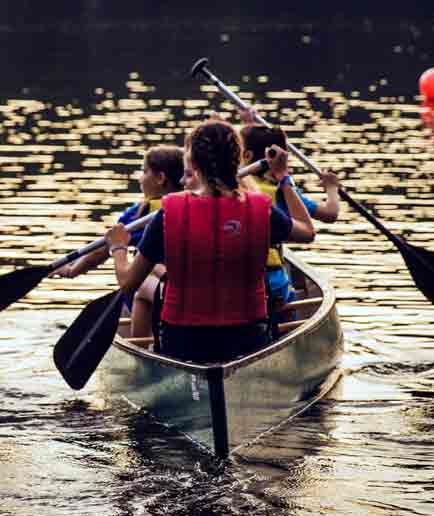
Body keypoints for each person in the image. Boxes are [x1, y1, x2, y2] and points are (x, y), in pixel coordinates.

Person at [104, 119, 315, 363]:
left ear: (192, 163)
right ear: (238, 159)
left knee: (145, 290)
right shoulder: (260, 209)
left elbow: (127, 284)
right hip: (247, 338)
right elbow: (308, 232)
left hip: (183, 342)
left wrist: (119, 247)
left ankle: (145, 366)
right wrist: (283, 177)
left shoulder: (169, 211)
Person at [52, 145, 183, 337]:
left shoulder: (141, 215)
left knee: (140, 286)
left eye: (144, 172)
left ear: (160, 178)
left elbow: (104, 248)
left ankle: (142, 347)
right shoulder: (192, 207)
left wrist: (72, 270)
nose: (140, 178)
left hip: (157, 298)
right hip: (182, 299)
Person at [239, 124, 341, 324]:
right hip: (273, 280)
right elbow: (330, 213)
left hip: (245, 278)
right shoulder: (284, 190)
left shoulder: (238, 185)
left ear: (246, 155)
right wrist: (331, 187)